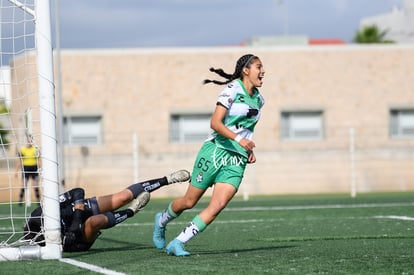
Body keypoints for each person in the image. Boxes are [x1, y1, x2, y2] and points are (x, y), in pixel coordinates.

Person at [152, 54, 265, 256]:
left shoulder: (259, 99)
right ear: (246, 70)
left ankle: (178, 242)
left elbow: (246, 129)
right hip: (215, 151)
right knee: (189, 201)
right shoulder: (232, 90)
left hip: (236, 159)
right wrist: (240, 141)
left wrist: (248, 149)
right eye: (259, 67)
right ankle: (161, 220)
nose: (263, 71)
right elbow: (215, 123)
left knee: (219, 204)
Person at [23, 169, 190, 252]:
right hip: (79, 238)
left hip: (78, 214)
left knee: (123, 197)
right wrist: (74, 231)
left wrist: (76, 218)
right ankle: (132, 211)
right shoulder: (40, 242)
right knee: (95, 222)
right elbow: (70, 246)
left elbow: (77, 192)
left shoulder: (42, 210)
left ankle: (167, 179)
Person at [15, 135, 41, 206]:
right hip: (25, 168)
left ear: (32, 141)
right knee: (24, 184)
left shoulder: (35, 149)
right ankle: (20, 200)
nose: (29, 142)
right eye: (28, 141)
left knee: (35, 185)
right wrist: (16, 171)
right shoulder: (22, 150)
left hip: (34, 168)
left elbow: (39, 160)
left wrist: (41, 168)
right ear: (26, 141)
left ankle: (38, 200)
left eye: (31, 141)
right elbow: (19, 161)